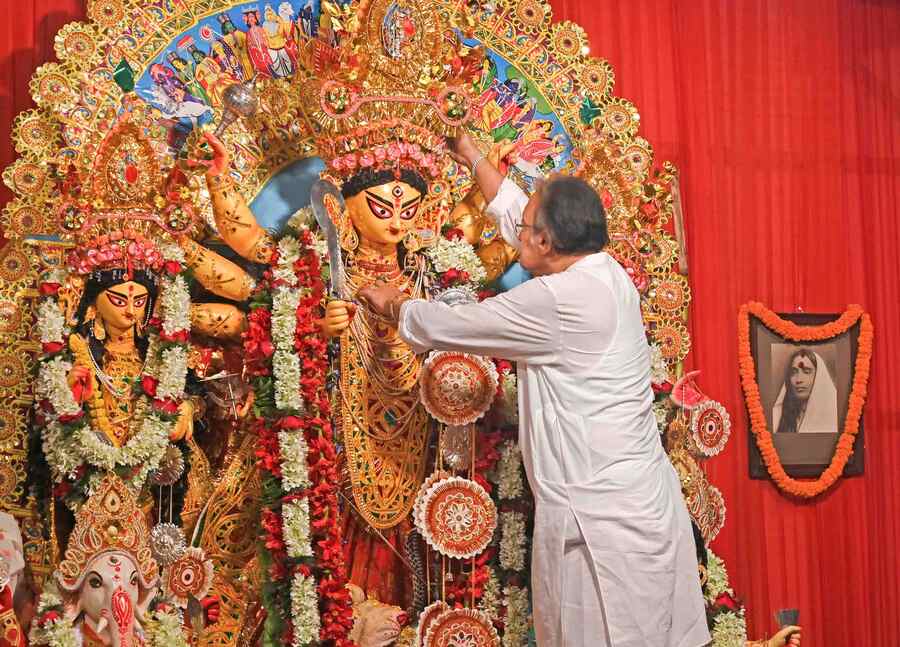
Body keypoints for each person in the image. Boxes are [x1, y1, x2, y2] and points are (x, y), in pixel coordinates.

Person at [344, 132, 710, 646]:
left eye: (527, 231)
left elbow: (456, 326)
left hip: (603, 527)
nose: (516, 234)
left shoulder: (560, 301)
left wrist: (389, 303)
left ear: (546, 243)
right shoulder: (599, 269)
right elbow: (515, 209)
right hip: (627, 503)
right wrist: (471, 155)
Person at [773, 348, 838, 434]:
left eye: (807, 372)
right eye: (794, 372)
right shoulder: (777, 416)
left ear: (819, 377)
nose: (799, 379)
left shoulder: (833, 416)